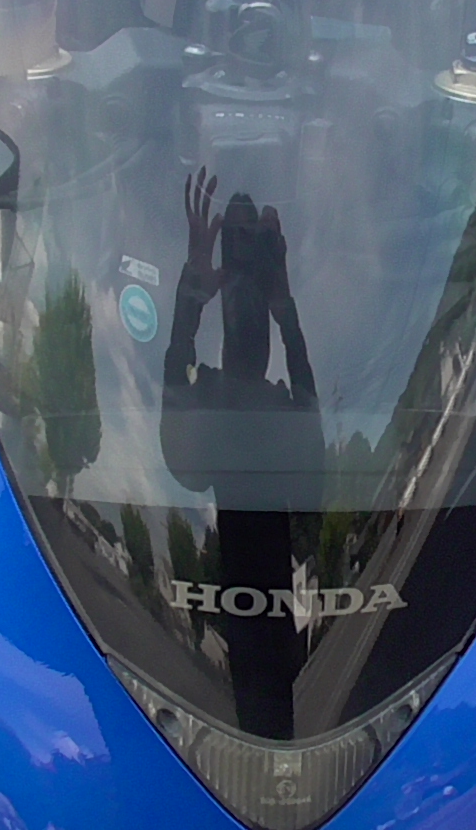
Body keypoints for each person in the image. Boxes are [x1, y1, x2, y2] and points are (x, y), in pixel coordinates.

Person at [160, 166, 321, 739]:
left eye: (253, 247)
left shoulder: (220, 396)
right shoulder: (256, 402)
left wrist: (195, 295)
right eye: (240, 244)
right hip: (225, 609)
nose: (243, 304)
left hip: (274, 621)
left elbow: (313, 470)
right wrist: (280, 304)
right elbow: (178, 456)